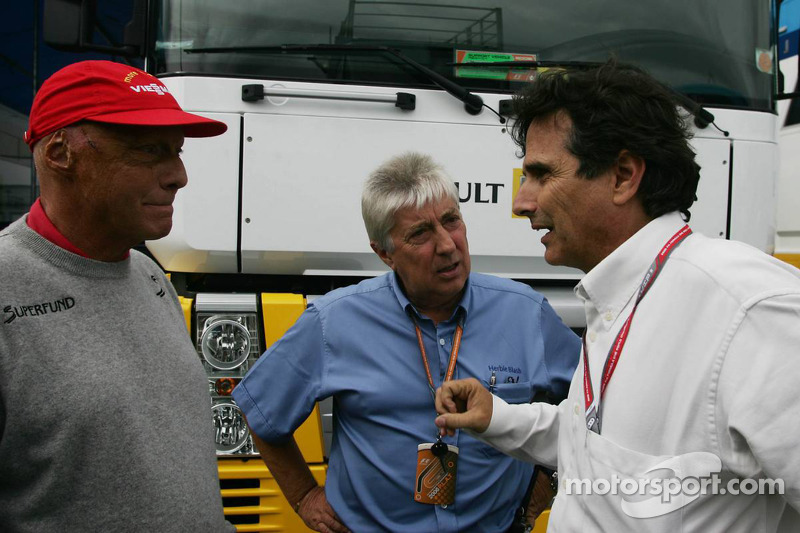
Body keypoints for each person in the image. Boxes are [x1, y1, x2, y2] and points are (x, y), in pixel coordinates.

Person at [434, 61, 800, 531]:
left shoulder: (749, 313)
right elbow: (596, 447)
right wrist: (497, 418)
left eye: (542, 175)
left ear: (624, 176)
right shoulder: (616, 296)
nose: (521, 203)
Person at [231, 152, 580, 532]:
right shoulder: (334, 322)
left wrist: (547, 476)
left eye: (451, 221)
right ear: (384, 253)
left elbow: (593, 404)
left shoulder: (526, 313)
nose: (447, 245)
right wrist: (303, 496)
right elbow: (261, 412)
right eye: (420, 234)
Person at [0, 60, 234, 532]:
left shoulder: (150, 276)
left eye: (178, 151)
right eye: (150, 150)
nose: (179, 176)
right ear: (61, 154)